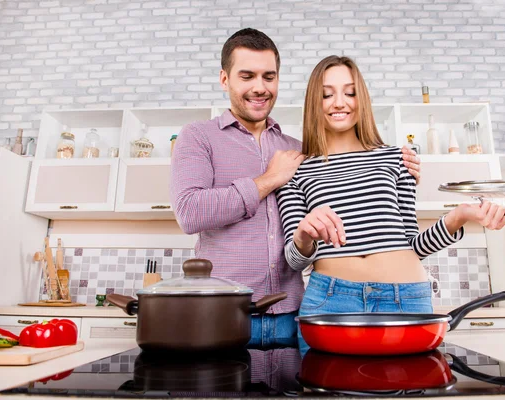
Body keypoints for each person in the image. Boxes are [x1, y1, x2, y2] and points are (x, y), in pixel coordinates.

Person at [170, 29, 422, 347]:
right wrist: (269, 180)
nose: (259, 87)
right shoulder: (198, 136)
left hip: (293, 317)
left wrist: (399, 172)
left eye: (268, 76)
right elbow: (190, 213)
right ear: (225, 79)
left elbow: (351, 217)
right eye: (247, 76)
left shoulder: (299, 152)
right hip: (221, 316)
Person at [275, 56, 505, 325]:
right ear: (313, 103)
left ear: (362, 99)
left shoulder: (397, 158)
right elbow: (294, 261)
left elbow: (414, 246)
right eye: (326, 94)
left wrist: (459, 216)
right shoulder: (296, 169)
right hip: (331, 301)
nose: (339, 102)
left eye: (350, 92)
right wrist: (304, 233)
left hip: (406, 297)